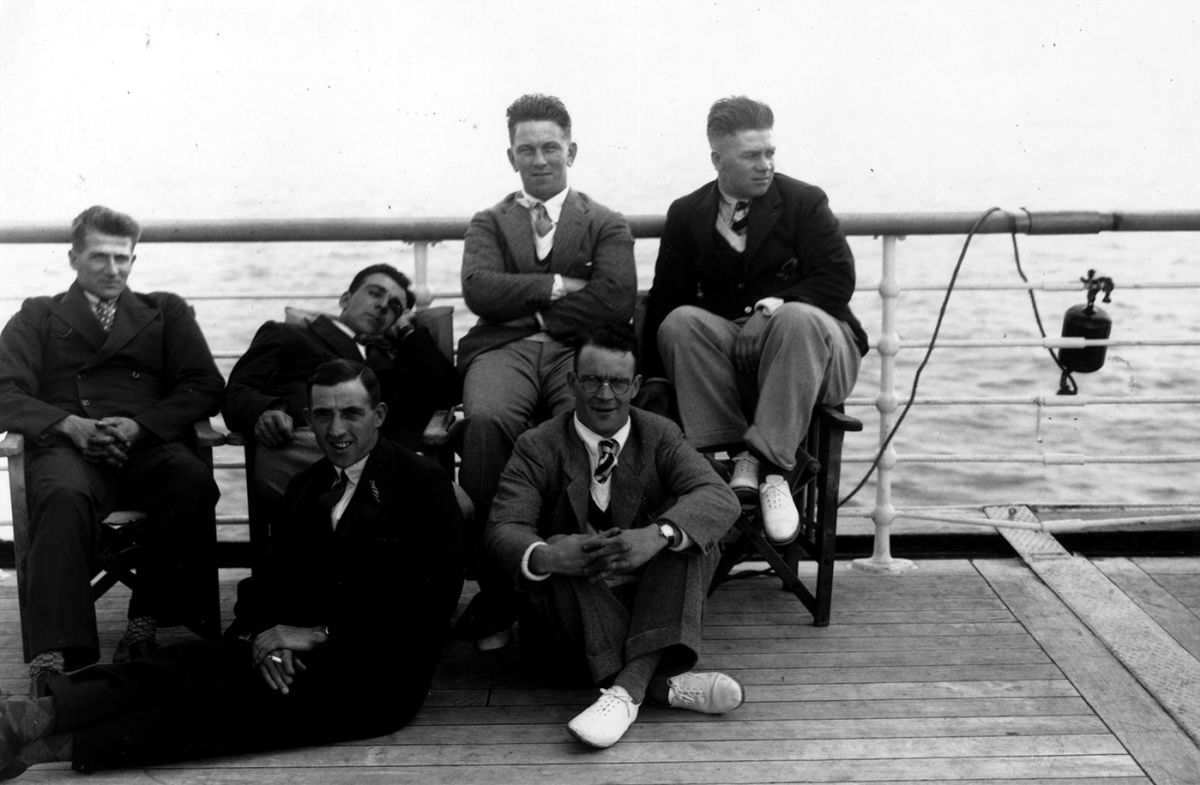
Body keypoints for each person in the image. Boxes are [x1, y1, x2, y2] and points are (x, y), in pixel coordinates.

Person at [0, 360, 465, 778]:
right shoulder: (308, 485)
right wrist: (264, 637)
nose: (335, 429)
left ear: (379, 416)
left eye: (351, 414)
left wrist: (320, 633)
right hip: (292, 647)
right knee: (184, 662)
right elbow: (268, 581)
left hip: (377, 674)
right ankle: (35, 715)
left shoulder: (422, 486)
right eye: (322, 415)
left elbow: (428, 608)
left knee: (226, 708)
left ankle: (45, 749)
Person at [0, 205, 225, 693]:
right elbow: (4, 389)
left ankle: (145, 623)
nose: (113, 269)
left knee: (191, 482)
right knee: (60, 497)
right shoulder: (39, 313)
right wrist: (67, 424)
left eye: (123, 258)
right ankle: (55, 655)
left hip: (144, 443)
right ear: (73, 258)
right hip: (68, 447)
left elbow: (204, 384)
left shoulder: (165, 310)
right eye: (99, 257)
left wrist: (141, 427)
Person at [485, 325, 743, 749]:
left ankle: (625, 693)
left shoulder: (659, 434)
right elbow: (502, 529)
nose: (604, 394)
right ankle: (661, 684)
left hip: (647, 596)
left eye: (618, 381)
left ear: (636, 386)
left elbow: (718, 495)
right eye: (591, 379)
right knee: (567, 546)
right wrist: (548, 556)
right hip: (573, 621)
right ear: (571, 382)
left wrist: (657, 535)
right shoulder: (537, 445)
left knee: (690, 537)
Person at [640, 95, 869, 544]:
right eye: (751, 155)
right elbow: (667, 299)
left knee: (797, 320)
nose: (765, 164)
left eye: (769, 153)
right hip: (742, 363)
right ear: (717, 159)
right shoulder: (688, 214)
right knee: (680, 323)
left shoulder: (803, 201)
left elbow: (838, 279)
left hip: (817, 354)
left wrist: (772, 306)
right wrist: (652, 377)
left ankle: (773, 468)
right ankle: (731, 463)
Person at [456, 93, 637, 650]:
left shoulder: (605, 222)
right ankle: (501, 584)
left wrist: (524, 305)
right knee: (485, 420)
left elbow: (613, 299)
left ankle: (574, 575)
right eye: (527, 149)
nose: (539, 159)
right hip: (502, 350)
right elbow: (478, 289)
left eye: (550, 147)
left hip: (574, 352)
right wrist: (557, 287)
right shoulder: (488, 221)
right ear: (511, 156)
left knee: (581, 424)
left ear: (571, 150)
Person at [223, 263, 458, 502]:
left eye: (394, 307)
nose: (383, 305)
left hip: (375, 453)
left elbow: (448, 393)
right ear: (346, 299)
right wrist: (268, 410)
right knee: (438, 500)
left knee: (455, 503)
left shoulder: (395, 360)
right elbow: (237, 391)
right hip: (305, 443)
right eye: (375, 293)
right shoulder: (290, 335)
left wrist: (408, 332)